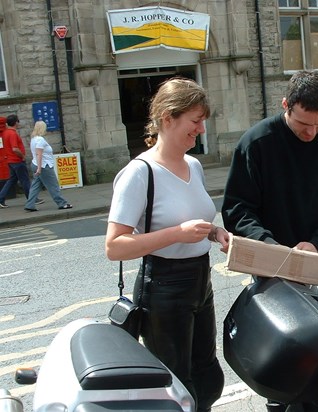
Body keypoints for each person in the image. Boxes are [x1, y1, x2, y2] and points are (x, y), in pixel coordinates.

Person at [222, 70, 318, 411]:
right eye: (303, 124)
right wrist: (268, 245)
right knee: (285, 347)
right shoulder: (257, 143)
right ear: (286, 105)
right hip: (273, 267)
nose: (311, 133)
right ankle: (279, 402)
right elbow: (237, 207)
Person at [105, 78, 228, 412]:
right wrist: (177, 233)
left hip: (200, 280)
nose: (202, 129)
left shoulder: (194, 165)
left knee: (206, 374)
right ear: (167, 117)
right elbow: (114, 246)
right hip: (164, 286)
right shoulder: (139, 173)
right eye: (195, 120)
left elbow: (192, 220)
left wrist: (214, 233)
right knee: (176, 383)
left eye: (203, 120)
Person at [24, 121, 72, 212]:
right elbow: (39, 154)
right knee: (53, 185)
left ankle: (30, 204)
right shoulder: (40, 140)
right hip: (44, 166)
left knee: (35, 186)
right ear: (42, 128)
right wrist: (39, 168)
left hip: (36, 164)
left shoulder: (34, 139)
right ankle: (62, 203)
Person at [0, 114, 44, 208]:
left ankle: (1, 199)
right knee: (25, 180)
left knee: (11, 180)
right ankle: (32, 198)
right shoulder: (13, 134)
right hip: (17, 161)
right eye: (18, 121)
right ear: (16, 122)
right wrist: (23, 156)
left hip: (10, 161)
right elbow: (15, 149)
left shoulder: (5, 133)